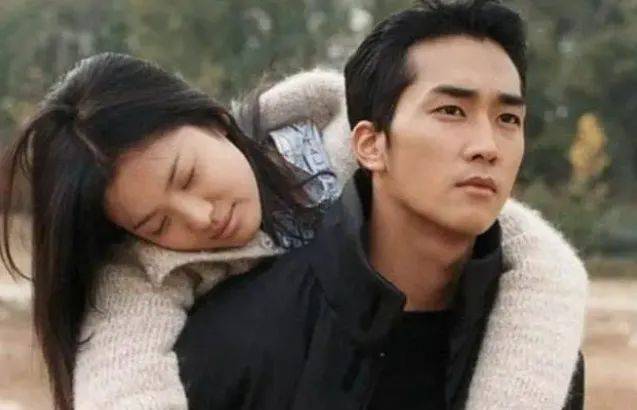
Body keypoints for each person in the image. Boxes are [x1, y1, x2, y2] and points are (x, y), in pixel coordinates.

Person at [0, 10, 585, 410]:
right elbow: (121, 381)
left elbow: (536, 257)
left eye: (188, 176)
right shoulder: (151, 281)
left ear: (214, 121)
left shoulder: (337, 148)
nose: (200, 218)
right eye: (158, 224)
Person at [175, 1, 587, 409]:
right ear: (370, 145)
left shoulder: (535, 357)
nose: (487, 146)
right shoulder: (238, 338)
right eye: (451, 111)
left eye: (508, 119)